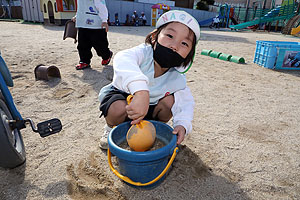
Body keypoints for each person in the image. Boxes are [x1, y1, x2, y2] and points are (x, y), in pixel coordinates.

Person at [98, 10, 200, 149]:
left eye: (184, 43)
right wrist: (141, 91)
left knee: (171, 101)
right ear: (154, 37)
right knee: (116, 108)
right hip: (124, 98)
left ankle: (156, 127)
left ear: (189, 55)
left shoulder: (177, 77)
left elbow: (185, 103)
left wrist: (182, 124)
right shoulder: (143, 53)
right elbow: (123, 58)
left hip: (151, 108)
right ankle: (110, 129)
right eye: (170, 36)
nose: (174, 46)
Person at [72, 0, 113, 70]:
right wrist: (77, 16)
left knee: (100, 45)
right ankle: (84, 61)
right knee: (82, 45)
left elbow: (102, 7)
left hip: (96, 24)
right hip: (82, 24)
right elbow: (81, 8)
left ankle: (107, 55)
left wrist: (104, 20)